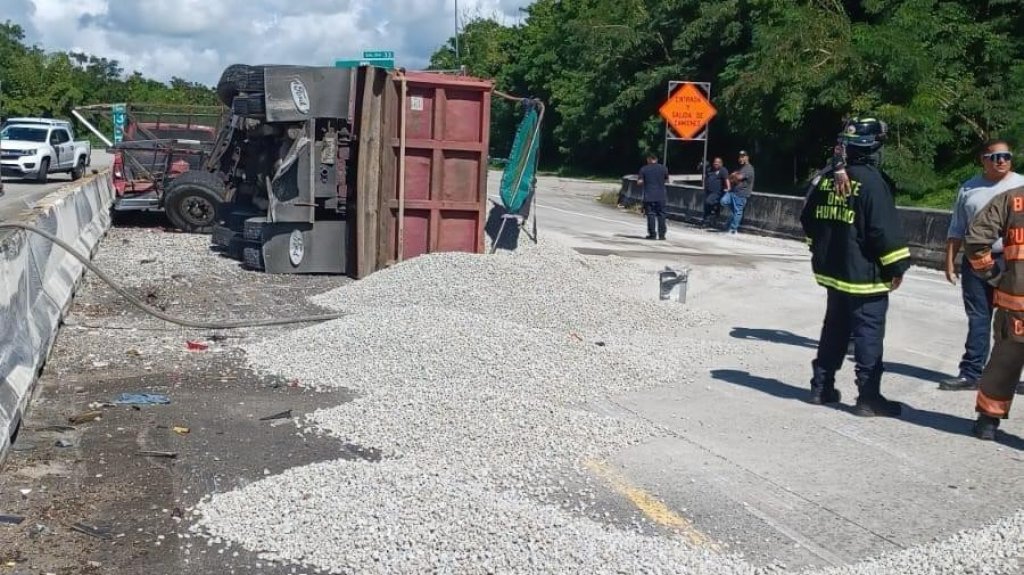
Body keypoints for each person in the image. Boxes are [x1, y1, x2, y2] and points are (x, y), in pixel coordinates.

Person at [799, 117, 911, 416]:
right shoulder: (873, 182)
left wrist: (821, 249)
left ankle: (821, 387)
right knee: (868, 335)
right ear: (875, 146)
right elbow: (882, 231)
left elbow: (808, 219)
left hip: (835, 273)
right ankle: (868, 397)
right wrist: (897, 266)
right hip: (864, 276)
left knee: (833, 329)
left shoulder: (826, 178)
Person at [939, 141, 1024, 391]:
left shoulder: (1021, 185)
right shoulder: (969, 188)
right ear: (983, 159)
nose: (1001, 161)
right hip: (977, 261)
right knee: (979, 317)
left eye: (1006, 156)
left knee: (1016, 319)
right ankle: (971, 373)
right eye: (994, 156)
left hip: (1014, 262)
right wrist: (949, 262)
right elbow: (957, 228)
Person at [962, 181, 1024, 440]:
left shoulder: (1012, 199)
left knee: (1004, 363)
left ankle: (988, 421)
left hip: (1016, 303)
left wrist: (993, 275)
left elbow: (976, 239)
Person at [722, 150, 755, 234]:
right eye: (740, 157)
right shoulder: (740, 168)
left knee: (737, 211)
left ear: (747, 157)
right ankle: (729, 227)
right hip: (733, 192)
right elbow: (730, 178)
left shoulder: (749, 168)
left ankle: (733, 229)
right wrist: (733, 176)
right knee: (723, 201)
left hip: (741, 194)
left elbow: (738, 177)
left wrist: (734, 175)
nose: (740, 158)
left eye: (743, 156)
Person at [637, 153, 668, 240]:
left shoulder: (644, 169)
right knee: (661, 215)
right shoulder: (663, 168)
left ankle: (652, 234)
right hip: (661, 196)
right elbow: (666, 179)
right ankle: (662, 235)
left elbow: (639, 182)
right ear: (656, 159)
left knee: (651, 214)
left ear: (648, 159)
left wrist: (643, 182)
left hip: (649, 195)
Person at [701, 157, 730, 228]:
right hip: (708, 191)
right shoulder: (711, 170)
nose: (716, 163)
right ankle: (706, 221)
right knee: (706, 205)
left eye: (718, 162)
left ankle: (713, 215)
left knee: (709, 202)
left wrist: (728, 188)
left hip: (717, 192)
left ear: (721, 163)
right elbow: (705, 178)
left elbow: (726, 179)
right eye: (715, 162)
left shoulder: (723, 170)